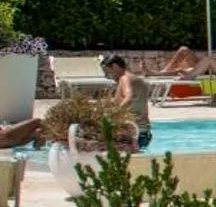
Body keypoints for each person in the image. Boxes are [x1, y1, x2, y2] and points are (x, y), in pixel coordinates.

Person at [0, 54, 149, 150]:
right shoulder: (136, 80)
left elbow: (129, 98)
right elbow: (125, 101)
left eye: (108, 72)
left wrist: (112, 113)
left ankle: (45, 146)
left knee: (44, 126)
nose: (108, 75)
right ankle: (43, 143)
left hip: (134, 135)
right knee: (41, 130)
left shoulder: (125, 79)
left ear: (115, 66)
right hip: (141, 134)